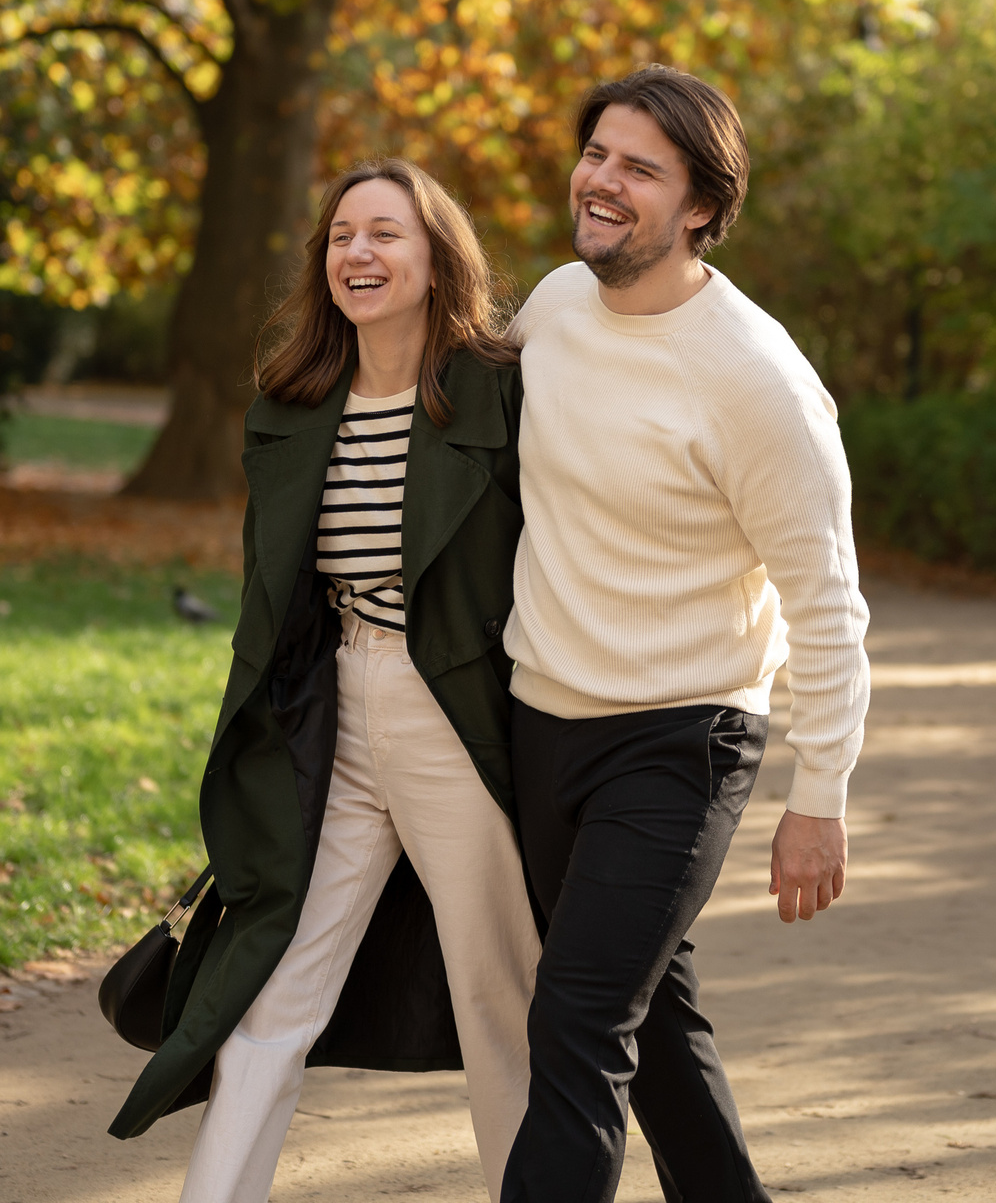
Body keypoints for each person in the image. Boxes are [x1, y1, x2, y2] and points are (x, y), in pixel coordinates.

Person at [105, 159, 542, 1203]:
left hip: (456, 719)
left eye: (385, 233)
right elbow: (273, 609)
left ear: (437, 257)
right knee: (269, 990)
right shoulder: (293, 404)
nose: (358, 252)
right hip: (335, 715)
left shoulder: (501, 390)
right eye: (342, 235)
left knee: (499, 995)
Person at [501, 66, 871, 1203]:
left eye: (640, 170)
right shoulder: (554, 305)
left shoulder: (756, 381)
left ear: (702, 207)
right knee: (650, 1022)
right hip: (540, 725)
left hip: (679, 742)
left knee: (575, 1021)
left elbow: (828, 604)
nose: (602, 182)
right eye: (596, 154)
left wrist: (820, 797)